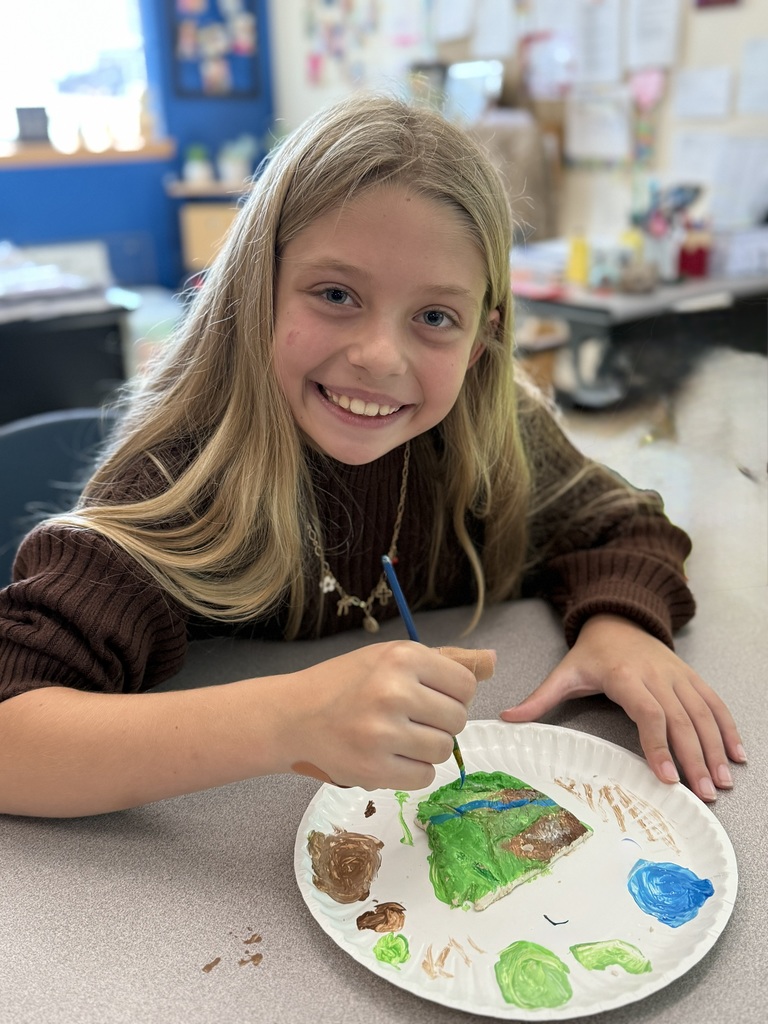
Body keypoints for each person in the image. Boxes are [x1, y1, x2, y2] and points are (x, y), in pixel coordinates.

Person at [0, 94, 744, 819]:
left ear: (481, 336)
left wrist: (621, 626)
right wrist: (288, 720)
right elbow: (14, 730)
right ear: (259, 287)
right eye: (335, 294)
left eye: (434, 317)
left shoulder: (492, 433)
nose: (380, 357)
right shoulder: (181, 479)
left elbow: (622, 524)